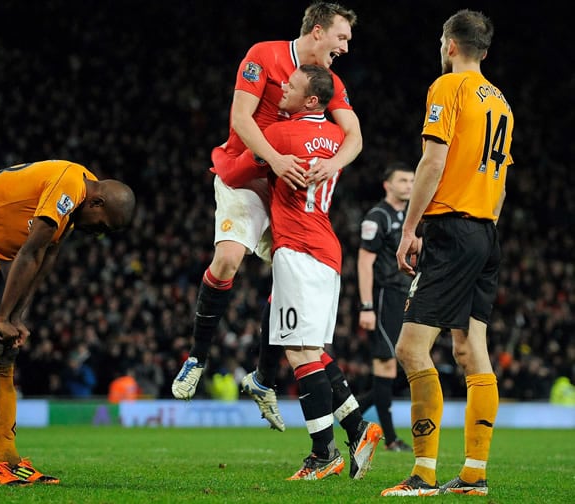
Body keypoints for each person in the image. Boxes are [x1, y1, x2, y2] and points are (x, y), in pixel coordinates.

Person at [172, 1, 362, 434]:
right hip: (247, 172)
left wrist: (334, 164)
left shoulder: (328, 81)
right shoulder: (264, 55)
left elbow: (354, 135)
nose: (345, 47)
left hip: (283, 186)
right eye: (342, 37)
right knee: (228, 260)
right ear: (318, 31)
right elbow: (241, 117)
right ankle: (196, 358)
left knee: (289, 281)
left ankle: (263, 379)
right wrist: (275, 158)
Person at [0, 159, 135, 485]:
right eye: (104, 224)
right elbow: (30, 252)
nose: (99, 234)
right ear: (97, 202)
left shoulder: (81, 193)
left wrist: (16, 318)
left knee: (5, 348)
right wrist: (3, 317)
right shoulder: (69, 186)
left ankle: (7, 457)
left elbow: (48, 255)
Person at [220, 64, 382, 480]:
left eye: (290, 86)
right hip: (326, 248)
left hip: (298, 248)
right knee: (312, 349)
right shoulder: (336, 136)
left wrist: (242, 156)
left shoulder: (280, 134)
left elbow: (232, 172)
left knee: (300, 353)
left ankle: (322, 455)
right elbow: (354, 138)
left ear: (311, 99)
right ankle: (358, 428)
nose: (281, 90)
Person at [381, 9, 514, 497]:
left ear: (451, 45)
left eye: (441, 40)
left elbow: (432, 160)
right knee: (469, 349)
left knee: (410, 348)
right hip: (485, 231)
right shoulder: (501, 102)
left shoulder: (447, 88)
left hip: (452, 228)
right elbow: (499, 184)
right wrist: (482, 235)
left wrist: (410, 228)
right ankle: (474, 475)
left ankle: (423, 474)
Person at [356, 162, 415, 453]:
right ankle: (390, 439)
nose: (409, 185)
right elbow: (364, 262)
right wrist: (366, 306)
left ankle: (349, 414)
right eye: (402, 180)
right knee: (386, 364)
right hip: (382, 297)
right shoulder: (377, 216)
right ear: (387, 185)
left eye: (412, 180)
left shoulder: (409, 216)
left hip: (402, 295)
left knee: (394, 366)